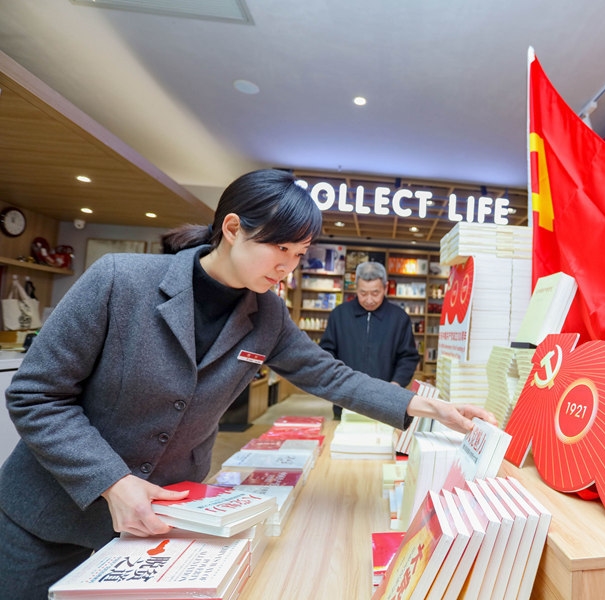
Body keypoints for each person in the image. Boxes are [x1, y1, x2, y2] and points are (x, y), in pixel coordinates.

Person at [0, 169, 495, 599]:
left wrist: (432, 409)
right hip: (49, 518)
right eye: (280, 248)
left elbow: (331, 375)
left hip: (161, 520)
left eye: (300, 253)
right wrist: (112, 482)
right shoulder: (119, 281)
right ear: (233, 228)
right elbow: (36, 394)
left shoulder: (267, 314)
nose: (288, 267)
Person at [320, 261, 420, 420]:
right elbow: (326, 352)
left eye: (375, 293)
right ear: (356, 288)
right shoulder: (339, 315)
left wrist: (396, 383)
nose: (369, 300)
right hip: (344, 399)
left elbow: (408, 357)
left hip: (386, 400)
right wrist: (336, 382)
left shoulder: (399, 318)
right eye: (363, 293)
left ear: (385, 288)